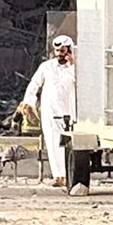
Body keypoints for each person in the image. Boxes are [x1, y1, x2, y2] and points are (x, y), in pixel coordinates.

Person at [19, 35, 77, 188]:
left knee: (71, 145)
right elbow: (34, 84)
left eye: (63, 51)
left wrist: (73, 65)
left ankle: (70, 174)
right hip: (50, 110)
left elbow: (81, 83)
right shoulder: (46, 66)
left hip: (71, 111)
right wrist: (28, 103)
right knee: (52, 142)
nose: (59, 54)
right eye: (57, 51)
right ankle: (59, 176)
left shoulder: (76, 68)